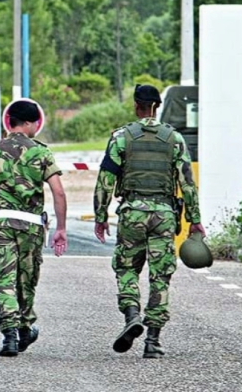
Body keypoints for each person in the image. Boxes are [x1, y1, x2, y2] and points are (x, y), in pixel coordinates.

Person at [93, 84, 204, 359]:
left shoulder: (121, 137)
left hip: (132, 212)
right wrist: (195, 220)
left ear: (136, 106)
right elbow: (187, 184)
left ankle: (132, 314)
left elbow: (105, 180)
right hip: (164, 214)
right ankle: (152, 340)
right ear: (157, 106)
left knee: (127, 267)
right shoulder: (174, 138)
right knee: (160, 275)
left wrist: (100, 216)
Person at [0, 99, 68, 357]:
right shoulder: (41, 152)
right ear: (29, 123)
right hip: (31, 225)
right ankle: (24, 326)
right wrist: (61, 228)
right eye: (36, 123)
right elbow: (58, 192)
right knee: (26, 280)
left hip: (1, 222)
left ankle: (10, 335)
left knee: (4, 280)